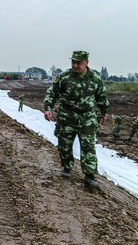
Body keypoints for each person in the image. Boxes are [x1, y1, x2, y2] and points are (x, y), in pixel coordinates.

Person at [43, 51, 109, 188]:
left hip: (87, 117)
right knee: (64, 145)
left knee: (88, 146)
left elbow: (101, 95)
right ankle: (67, 167)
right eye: (73, 62)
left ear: (86, 62)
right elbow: (53, 92)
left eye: (78, 63)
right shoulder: (64, 77)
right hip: (67, 116)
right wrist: (48, 107)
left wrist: (104, 111)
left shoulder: (95, 77)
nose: (75, 65)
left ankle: (90, 176)